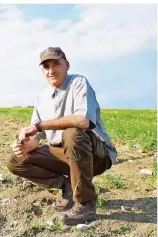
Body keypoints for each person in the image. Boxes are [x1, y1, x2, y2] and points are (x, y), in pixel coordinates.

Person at [6, 47, 117, 225]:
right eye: (46, 66)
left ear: (67, 65)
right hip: (66, 155)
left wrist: (39, 125)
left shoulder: (78, 82)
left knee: (72, 133)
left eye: (56, 64)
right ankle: (66, 186)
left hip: (96, 155)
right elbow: (37, 137)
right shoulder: (41, 97)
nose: (52, 70)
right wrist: (25, 145)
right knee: (16, 160)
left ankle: (86, 204)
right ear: (42, 71)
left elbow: (83, 121)